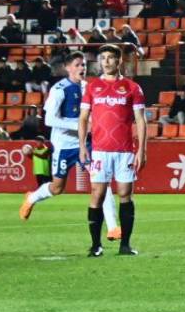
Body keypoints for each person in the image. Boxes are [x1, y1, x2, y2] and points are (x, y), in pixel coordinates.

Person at [18, 51, 120, 240]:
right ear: (68, 68)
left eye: (84, 65)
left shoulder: (88, 87)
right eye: (78, 65)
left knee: (101, 181)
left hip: (87, 144)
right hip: (64, 145)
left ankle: (113, 228)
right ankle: (31, 198)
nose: (82, 68)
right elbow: (49, 119)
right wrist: (79, 125)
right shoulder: (59, 89)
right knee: (57, 188)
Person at [78, 44, 146, 256]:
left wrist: (141, 150)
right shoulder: (92, 87)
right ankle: (96, 245)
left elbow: (141, 121)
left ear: (119, 61)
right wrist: (82, 146)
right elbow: (83, 118)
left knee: (125, 193)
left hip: (125, 150)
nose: (106, 61)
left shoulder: (132, 88)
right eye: (103, 58)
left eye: (110, 58)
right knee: (97, 194)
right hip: (99, 150)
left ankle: (125, 245)